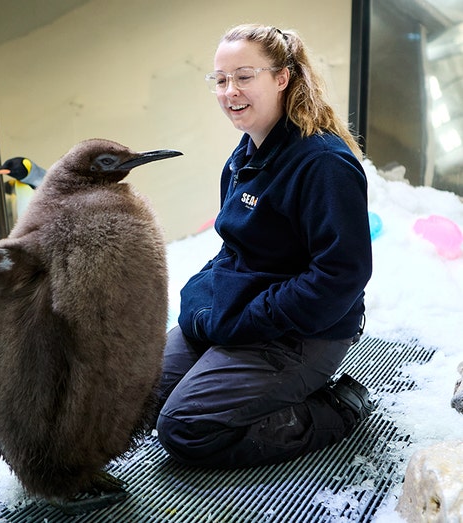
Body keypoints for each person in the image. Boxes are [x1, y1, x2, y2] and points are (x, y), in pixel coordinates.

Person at [155, 24, 374, 468]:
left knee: (185, 427)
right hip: (246, 314)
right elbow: (233, 249)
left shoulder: (323, 164)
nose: (229, 91)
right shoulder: (245, 156)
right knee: (135, 394)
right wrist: (204, 301)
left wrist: (247, 320)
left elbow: (340, 276)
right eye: (220, 79)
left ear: (282, 77)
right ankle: (239, 378)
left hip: (305, 331)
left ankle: (336, 408)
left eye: (243, 76)